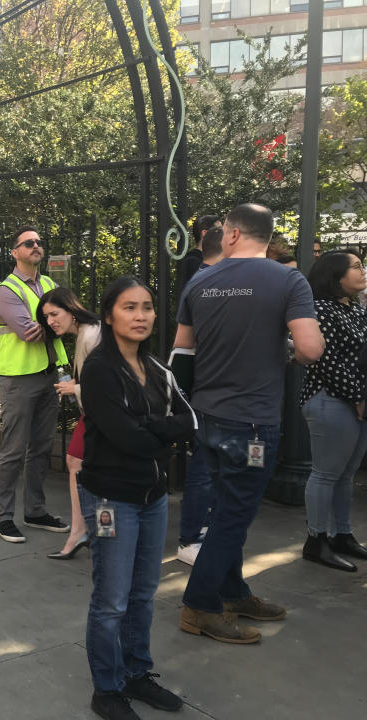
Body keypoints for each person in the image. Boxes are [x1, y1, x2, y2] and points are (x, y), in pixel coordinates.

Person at [174, 203, 324, 644]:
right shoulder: (287, 280)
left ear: (233, 234)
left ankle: (233, 592)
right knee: (233, 518)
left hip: (208, 417)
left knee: (225, 510)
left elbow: (182, 355)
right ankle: (199, 607)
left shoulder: (200, 281)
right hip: (253, 423)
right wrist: (287, 348)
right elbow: (311, 350)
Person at [79, 276, 195, 720]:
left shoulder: (159, 369)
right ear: (110, 315)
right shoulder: (100, 369)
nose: (141, 315)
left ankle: (136, 672)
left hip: (153, 496)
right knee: (111, 599)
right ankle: (107, 688)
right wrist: (160, 434)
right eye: (130, 307)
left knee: (144, 594)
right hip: (111, 497)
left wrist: (153, 430)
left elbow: (189, 421)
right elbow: (129, 440)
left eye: (147, 307)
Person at [0, 225, 70, 543]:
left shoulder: (49, 283)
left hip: (49, 377)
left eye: (39, 242)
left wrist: (57, 322)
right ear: (15, 252)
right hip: (18, 380)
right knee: (13, 450)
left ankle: (35, 511)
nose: (36, 246)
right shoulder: (6, 291)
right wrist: (56, 322)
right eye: (28, 243)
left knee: (41, 449)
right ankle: (3, 517)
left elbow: (67, 319)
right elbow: (28, 332)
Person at [300, 250, 367, 571]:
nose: (362, 270)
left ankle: (342, 534)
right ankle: (316, 540)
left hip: (357, 401)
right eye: (355, 267)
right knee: (326, 473)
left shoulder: (356, 309)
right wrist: (357, 396)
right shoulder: (319, 309)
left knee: (345, 474)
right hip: (331, 399)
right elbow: (327, 362)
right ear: (336, 276)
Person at [35, 286, 101, 559]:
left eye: (54, 313)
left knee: (79, 463)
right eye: (46, 317)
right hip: (96, 414)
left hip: (101, 415)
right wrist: (77, 385)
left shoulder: (91, 335)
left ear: (71, 309)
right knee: (75, 460)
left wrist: (76, 389)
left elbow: (105, 383)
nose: (50, 321)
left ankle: (86, 532)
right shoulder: (88, 332)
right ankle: (82, 530)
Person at [175, 223, 225, 567]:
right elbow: (184, 347)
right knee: (206, 465)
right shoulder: (208, 282)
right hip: (209, 390)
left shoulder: (210, 281)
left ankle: (200, 532)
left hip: (211, 389)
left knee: (211, 465)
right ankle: (192, 536)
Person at [177, 214, 221, 295]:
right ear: (205, 233)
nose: (223, 234)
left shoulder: (218, 261)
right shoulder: (192, 262)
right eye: (219, 230)